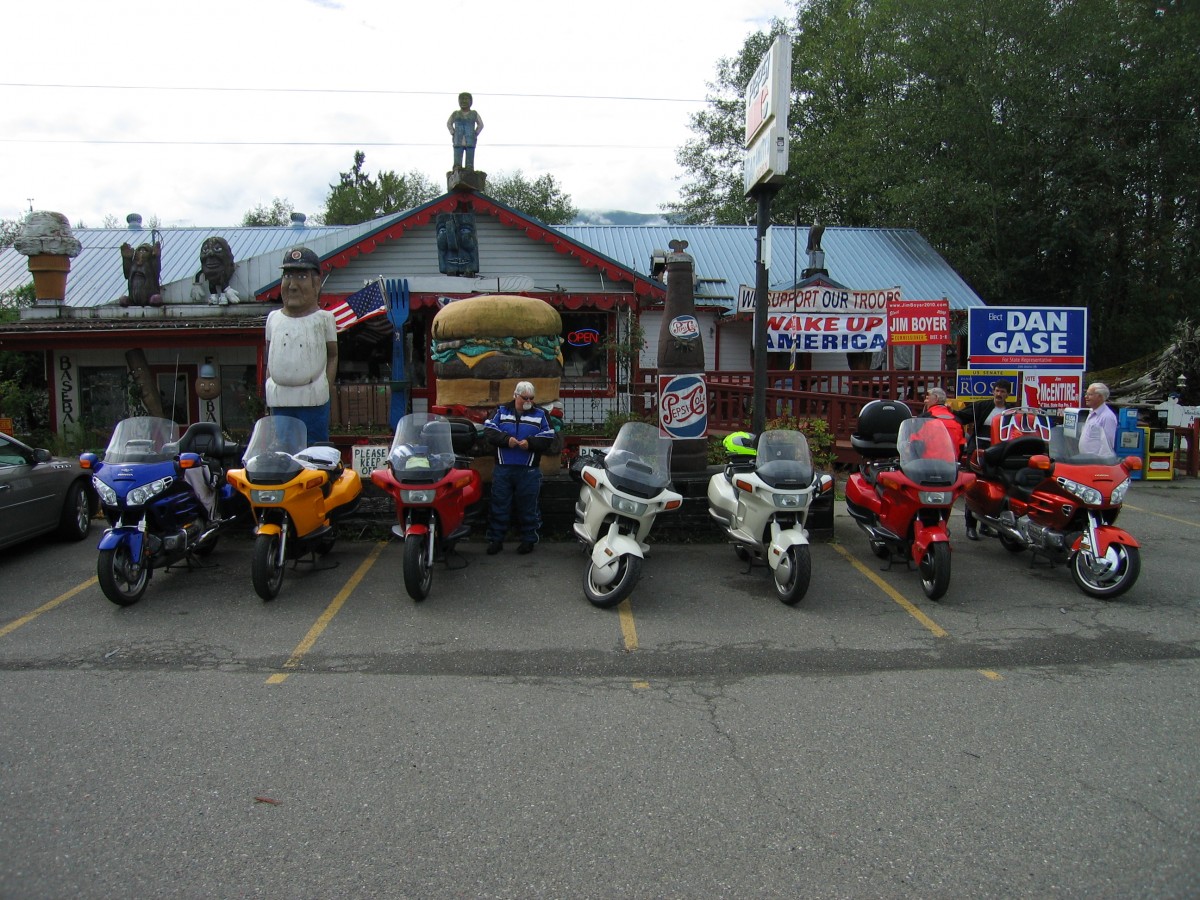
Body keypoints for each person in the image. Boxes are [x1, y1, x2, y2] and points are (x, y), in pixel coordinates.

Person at [264, 247, 338, 444]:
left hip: (313, 397)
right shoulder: (273, 319)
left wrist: (325, 386)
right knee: (284, 447)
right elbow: (269, 355)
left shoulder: (324, 319)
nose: (293, 285)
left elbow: (332, 355)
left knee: (314, 449)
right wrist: (269, 384)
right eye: (288, 276)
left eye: (302, 276)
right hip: (279, 397)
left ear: (316, 284)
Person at [483, 381, 556, 555]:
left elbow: (548, 437)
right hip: (503, 468)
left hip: (529, 470)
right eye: (525, 398)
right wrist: (506, 440)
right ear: (515, 395)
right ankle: (496, 540)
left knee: (528, 506)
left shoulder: (541, 414)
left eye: (531, 398)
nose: (528, 401)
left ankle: (528, 540)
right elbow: (489, 431)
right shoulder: (500, 411)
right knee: (499, 505)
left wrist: (530, 443)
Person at [957, 380, 1012, 541]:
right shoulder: (982, 406)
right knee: (974, 487)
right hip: (979, 451)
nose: (999, 394)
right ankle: (970, 526)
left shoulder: (1010, 411)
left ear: (1007, 394)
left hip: (999, 454)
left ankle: (986, 525)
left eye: (1002, 391)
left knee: (994, 489)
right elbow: (962, 416)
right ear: (992, 392)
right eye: (996, 391)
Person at [920, 387, 965, 456]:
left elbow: (915, 442)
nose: (925, 401)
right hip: (951, 463)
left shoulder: (924, 418)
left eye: (927, 398)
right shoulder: (957, 421)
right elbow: (961, 445)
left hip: (927, 463)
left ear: (936, 399)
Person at [447, 92, 484, 170]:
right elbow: (449, 123)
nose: (463, 101)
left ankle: (469, 167)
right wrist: (452, 132)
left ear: (471, 101)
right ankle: (457, 167)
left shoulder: (474, 113)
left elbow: (480, 125)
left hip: (470, 139)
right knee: (457, 154)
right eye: (461, 99)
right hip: (458, 139)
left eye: (466, 99)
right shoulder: (455, 113)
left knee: (470, 156)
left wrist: (475, 133)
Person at [1079, 382, 1118, 455]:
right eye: (1086, 394)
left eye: (1090, 394)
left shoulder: (1107, 416)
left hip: (1097, 463)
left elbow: (1107, 447)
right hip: (1086, 461)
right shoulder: (1091, 413)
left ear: (1100, 396)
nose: (1086, 397)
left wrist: (1099, 463)